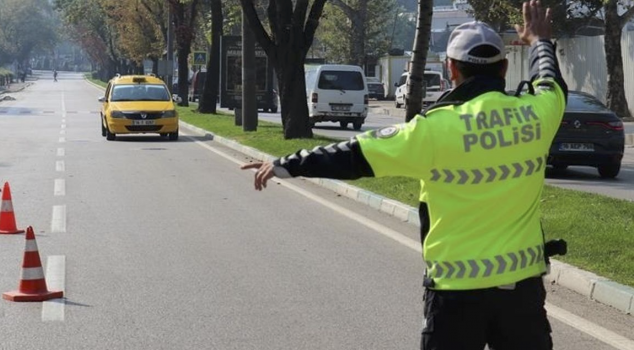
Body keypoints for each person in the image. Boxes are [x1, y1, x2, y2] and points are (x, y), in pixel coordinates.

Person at [241, 1, 567, 349]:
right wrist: (539, 40)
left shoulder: (431, 131)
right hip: (522, 296)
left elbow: (352, 155)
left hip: (455, 297)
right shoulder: (536, 115)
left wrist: (287, 164)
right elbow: (549, 80)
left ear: (451, 69)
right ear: (504, 70)